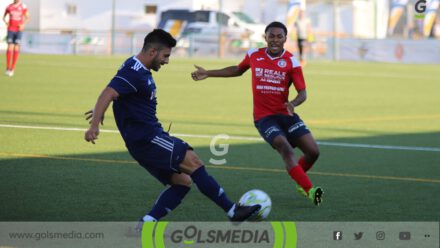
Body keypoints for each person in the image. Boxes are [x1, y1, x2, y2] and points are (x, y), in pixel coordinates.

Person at [84, 29, 260, 226]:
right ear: (152, 51)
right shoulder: (134, 72)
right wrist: (94, 125)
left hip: (144, 140)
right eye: (165, 55)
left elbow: (116, 94)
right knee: (193, 161)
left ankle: (146, 224)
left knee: (182, 182)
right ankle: (232, 211)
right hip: (147, 139)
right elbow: (108, 92)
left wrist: (100, 109)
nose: (167, 61)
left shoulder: (136, 67)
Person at [191, 22, 323, 206]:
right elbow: (237, 70)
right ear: (265, 37)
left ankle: (299, 179)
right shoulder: (254, 54)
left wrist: (292, 103)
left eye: (279, 36)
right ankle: (310, 190)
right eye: (271, 36)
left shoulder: (292, 62)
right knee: (285, 148)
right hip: (264, 118)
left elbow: (303, 93)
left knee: (313, 152)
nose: (275, 40)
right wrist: (209, 73)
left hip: (286, 114)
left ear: (285, 39)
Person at [3, 0, 29, 77]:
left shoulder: (23, 7)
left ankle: (12, 68)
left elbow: (27, 18)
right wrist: (6, 22)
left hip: (18, 30)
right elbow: (4, 17)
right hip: (11, 29)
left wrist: (23, 24)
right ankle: (8, 67)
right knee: (10, 47)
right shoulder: (9, 7)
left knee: (16, 47)